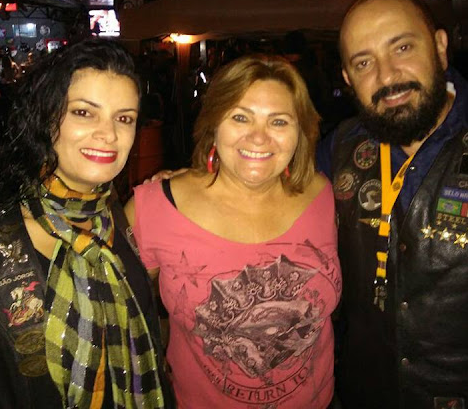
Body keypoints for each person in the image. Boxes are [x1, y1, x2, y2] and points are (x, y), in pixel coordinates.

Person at [316, 0, 468, 408]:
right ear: (348, 78)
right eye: (364, 62)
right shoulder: (337, 149)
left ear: (441, 47)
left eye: (402, 48)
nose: (387, 76)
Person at [0, 39, 171, 409]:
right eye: (84, 112)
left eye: (124, 118)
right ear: (45, 117)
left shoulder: (112, 215)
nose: (109, 134)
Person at [125, 54, 342, 408]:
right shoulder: (154, 208)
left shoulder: (323, 195)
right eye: (240, 117)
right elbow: (118, 318)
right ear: (214, 124)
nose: (258, 137)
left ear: (300, 133)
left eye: (279, 121)